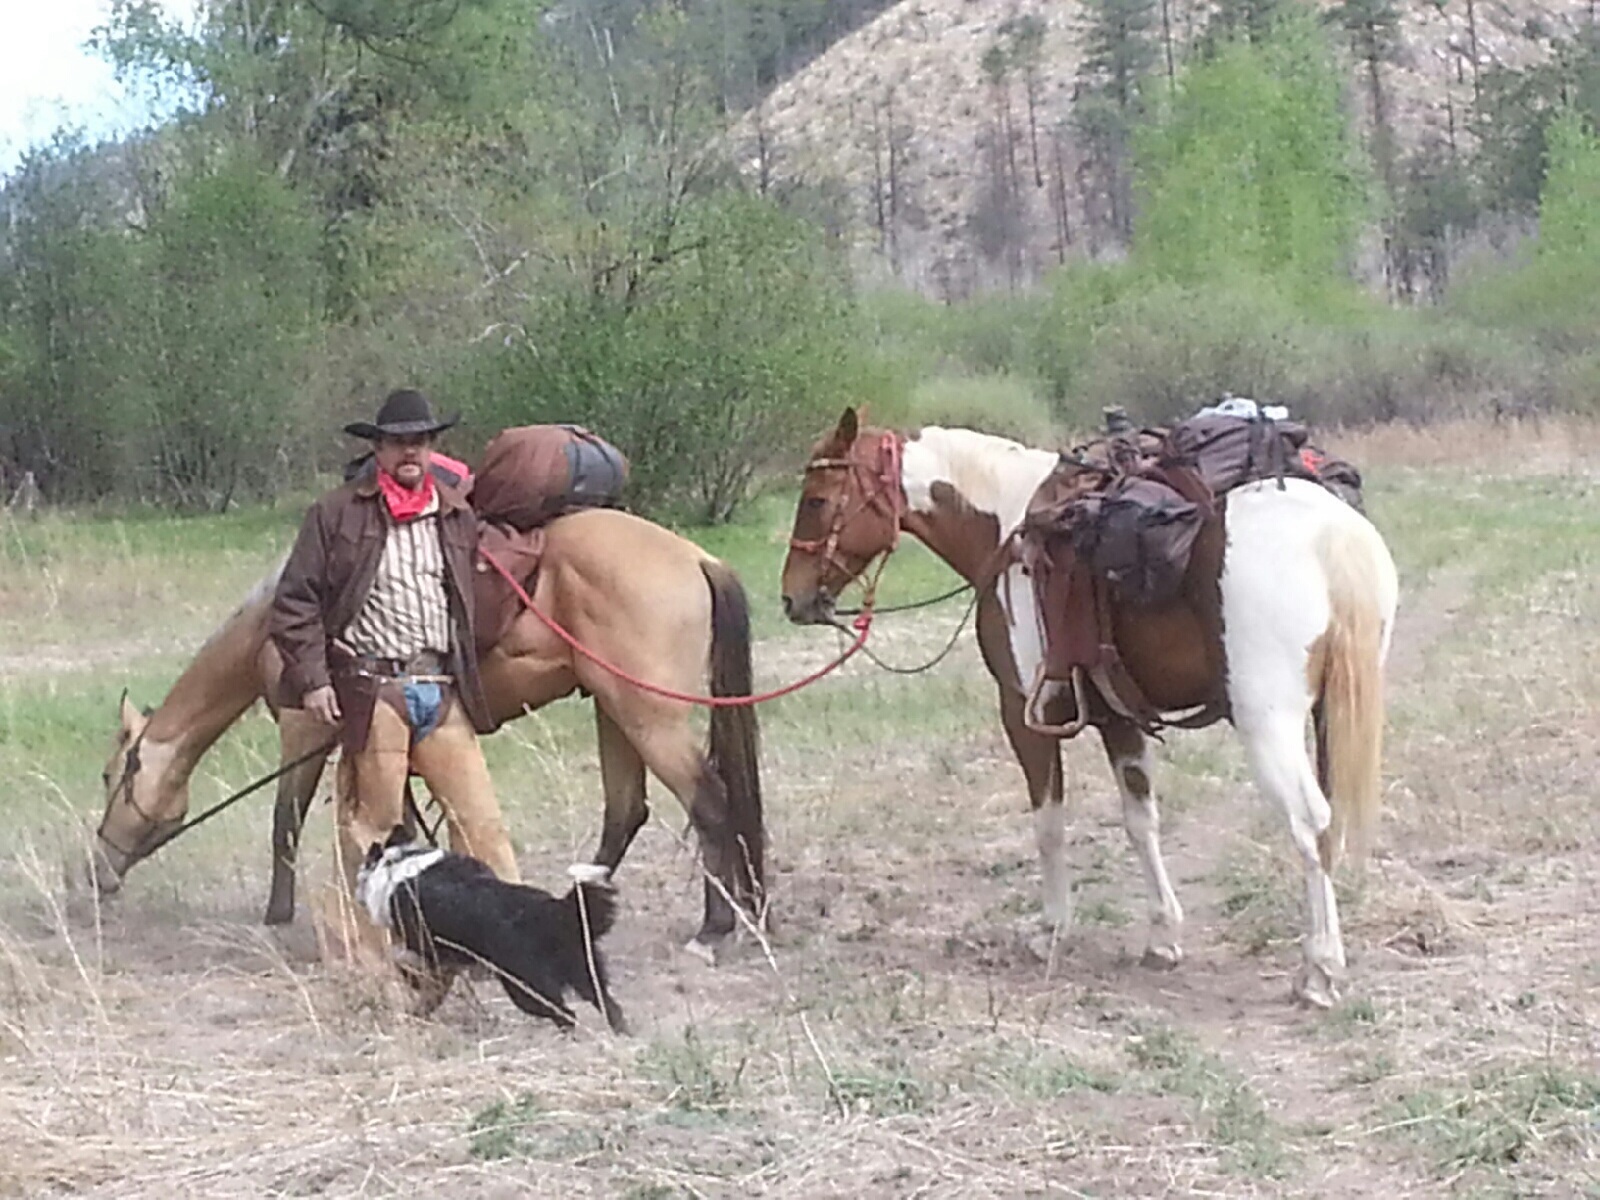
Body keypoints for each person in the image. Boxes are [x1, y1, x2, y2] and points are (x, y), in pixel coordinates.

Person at [271, 389, 519, 923]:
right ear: (378, 449)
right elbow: (294, 602)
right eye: (399, 443)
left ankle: (511, 938)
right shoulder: (335, 514)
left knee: (483, 826)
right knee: (373, 831)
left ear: (433, 449)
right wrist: (315, 681)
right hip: (374, 690)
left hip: (440, 691)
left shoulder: (454, 515)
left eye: (421, 442)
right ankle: (363, 957)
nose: (411, 452)